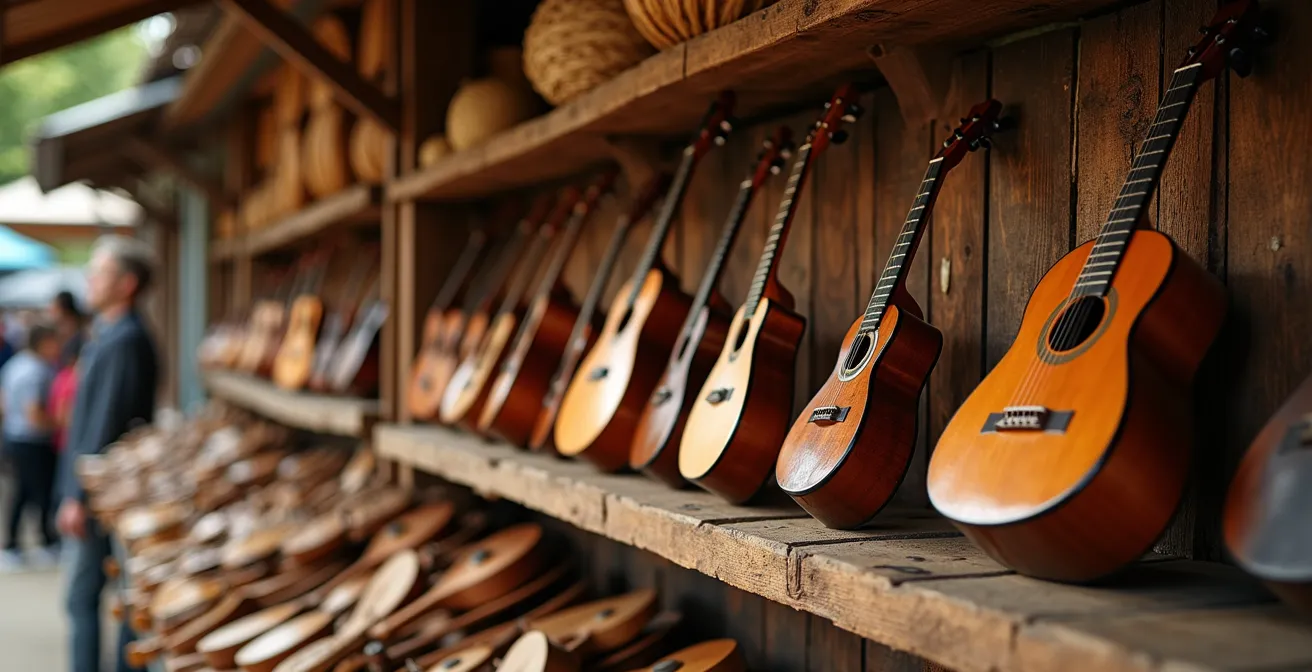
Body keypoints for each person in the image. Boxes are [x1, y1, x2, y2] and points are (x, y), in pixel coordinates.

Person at [57, 235, 159, 672]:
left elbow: (105, 424)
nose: (91, 280)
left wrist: (78, 496)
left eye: (100, 272)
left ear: (127, 283)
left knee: (87, 598)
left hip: (103, 494)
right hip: (99, 491)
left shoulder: (125, 340)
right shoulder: (111, 334)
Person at [0, 323, 62, 569]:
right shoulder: (35, 370)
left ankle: (13, 544)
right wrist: (59, 424)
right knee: (39, 492)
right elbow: (34, 412)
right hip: (32, 439)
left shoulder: (16, 364)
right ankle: (44, 542)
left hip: (15, 435)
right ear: (44, 342)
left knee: (23, 492)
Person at [49, 290, 87, 367]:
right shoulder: (56, 331)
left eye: (55, 308)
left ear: (64, 309)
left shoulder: (80, 335)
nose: (51, 312)